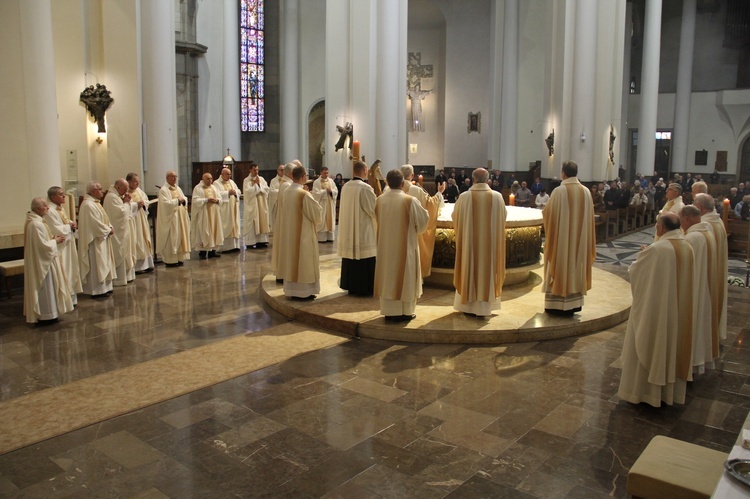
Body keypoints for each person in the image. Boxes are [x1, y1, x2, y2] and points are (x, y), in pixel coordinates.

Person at [618, 212, 695, 407]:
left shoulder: (658, 249)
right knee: (671, 345)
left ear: (661, 228)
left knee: (653, 341)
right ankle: (667, 393)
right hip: (677, 311)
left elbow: (635, 272)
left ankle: (644, 393)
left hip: (656, 310)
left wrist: (642, 255)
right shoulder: (687, 246)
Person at [374, 169, 429, 321]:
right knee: (406, 276)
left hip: (385, 248)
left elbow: (376, 223)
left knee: (388, 276)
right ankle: (405, 311)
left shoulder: (379, 200)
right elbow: (423, 223)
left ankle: (390, 311)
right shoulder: (409, 200)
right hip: (406, 248)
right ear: (403, 183)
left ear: (388, 182)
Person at [542, 160, 596, 315]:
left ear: (563, 173)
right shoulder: (586, 191)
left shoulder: (559, 191)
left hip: (562, 242)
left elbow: (549, 214)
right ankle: (574, 304)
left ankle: (557, 306)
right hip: (580, 242)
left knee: (560, 266)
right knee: (575, 268)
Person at [452, 168, 506, 317]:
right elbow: (503, 218)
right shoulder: (497, 197)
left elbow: (455, 217)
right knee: (488, 270)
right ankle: (485, 306)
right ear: (488, 180)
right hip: (490, 248)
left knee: (468, 267)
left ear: (473, 179)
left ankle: (468, 306)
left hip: (469, 246)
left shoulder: (464, 197)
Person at [23, 198, 74, 324]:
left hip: (45, 259)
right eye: (45, 206)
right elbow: (42, 246)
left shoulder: (38, 221)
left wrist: (52, 238)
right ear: (38, 208)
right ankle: (46, 315)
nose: (47, 208)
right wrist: (55, 241)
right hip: (42, 263)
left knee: (50, 287)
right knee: (46, 288)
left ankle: (51, 314)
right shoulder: (36, 224)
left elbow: (42, 241)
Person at [680, 205, 717, 373]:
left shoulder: (692, 238)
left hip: (692, 289)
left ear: (687, 219)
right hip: (702, 286)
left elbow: (679, 265)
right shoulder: (705, 231)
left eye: (681, 219)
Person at [276, 165, 322, 299]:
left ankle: (292, 291)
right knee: (304, 262)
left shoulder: (286, 191)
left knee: (292, 261)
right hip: (303, 235)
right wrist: (311, 195)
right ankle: (304, 292)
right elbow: (316, 214)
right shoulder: (303, 194)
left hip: (289, 234)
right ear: (303, 177)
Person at [337, 160, 377, 296]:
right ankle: (364, 288)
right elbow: (373, 209)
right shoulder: (365, 188)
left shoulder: (346, 186)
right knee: (364, 256)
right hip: (362, 229)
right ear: (365, 171)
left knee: (351, 257)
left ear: (354, 171)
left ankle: (351, 285)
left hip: (348, 229)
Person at [400, 164, 445, 278]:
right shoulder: (416, 190)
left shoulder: (389, 189)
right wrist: (439, 193)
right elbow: (431, 205)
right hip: (413, 230)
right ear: (412, 175)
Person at [694, 193, 728, 345]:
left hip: (704, 274)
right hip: (715, 271)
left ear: (700, 208)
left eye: (694, 204)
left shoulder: (704, 225)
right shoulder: (717, 221)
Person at [78, 181, 116, 297]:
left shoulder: (96, 203)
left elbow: (104, 218)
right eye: (100, 189)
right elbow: (95, 224)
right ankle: (96, 290)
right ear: (93, 191)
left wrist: (109, 226)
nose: (102, 191)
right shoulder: (88, 205)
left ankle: (105, 287)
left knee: (104, 262)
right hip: (95, 240)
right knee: (97, 263)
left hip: (102, 237)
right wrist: (108, 230)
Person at [45, 186, 82, 305]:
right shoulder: (50, 211)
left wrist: (71, 224)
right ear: (53, 197)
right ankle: (65, 299)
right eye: (61, 194)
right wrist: (69, 226)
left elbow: (65, 222)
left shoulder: (60, 208)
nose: (64, 196)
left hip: (68, 244)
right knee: (65, 271)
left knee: (71, 270)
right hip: (61, 247)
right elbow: (55, 228)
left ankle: (71, 297)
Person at [103, 178, 136, 286]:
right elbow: (120, 213)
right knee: (119, 251)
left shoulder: (116, 196)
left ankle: (125, 277)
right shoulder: (111, 197)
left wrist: (125, 202)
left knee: (124, 251)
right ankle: (119, 279)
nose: (126, 192)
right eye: (125, 189)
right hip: (116, 232)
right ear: (118, 187)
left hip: (121, 230)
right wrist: (126, 203)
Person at [156, 171, 191, 268]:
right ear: (167, 178)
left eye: (175, 176)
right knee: (172, 236)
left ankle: (179, 258)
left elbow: (184, 198)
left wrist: (183, 200)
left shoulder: (178, 188)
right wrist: (177, 200)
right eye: (172, 177)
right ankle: (170, 260)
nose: (174, 178)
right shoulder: (164, 190)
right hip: (171, 218)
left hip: (180, 217)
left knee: (180, 236)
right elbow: (165, 204)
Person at [271, 162, 296, 281]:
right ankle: (284, 273)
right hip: (287, 222)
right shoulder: (287, 185)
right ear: (291, 173)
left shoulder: (284, 183)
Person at [126, 173, 154, 273]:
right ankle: (137, 267)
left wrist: (143, 203)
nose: (137, 183)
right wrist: (135, 205)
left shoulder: (139, 191)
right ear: (129, 182)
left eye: (138, 181)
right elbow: (125, 206)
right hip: (134, 220)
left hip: (142, 218)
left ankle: (146, 264)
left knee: (144, 239)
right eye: (135, 181)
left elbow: (146, 200)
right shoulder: (126, 192)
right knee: (137, 240)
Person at [191, 172, 223, 259]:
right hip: (204, 214)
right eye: (208, 179)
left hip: (214, 213)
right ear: (203, 179)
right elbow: (195, 201)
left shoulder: (214, 187)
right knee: (204, 231)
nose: (210, 180)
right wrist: (206, 200)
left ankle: (213, 251)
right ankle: (203, 252)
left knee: (214, 231)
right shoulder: (198, 188)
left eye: (211, 179)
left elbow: (220, 198)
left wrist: (217, 200)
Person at [214, 167, 243, 252]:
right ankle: (225, 247)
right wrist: (227, 193)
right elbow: (217, 194)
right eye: (227, 174)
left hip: (234, 207)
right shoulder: (216, 183)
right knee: (226, 225)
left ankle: (235, 246)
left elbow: (238, 191)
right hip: (225, 209)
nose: (229, 176)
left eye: (230, 174)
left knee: (235, 224)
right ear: (222, 174)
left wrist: (235, 192)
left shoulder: (232, 182)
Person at [242, 163, 270, 248]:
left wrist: (259, 185)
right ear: (250, 170)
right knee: (253, 222)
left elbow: (267, 189)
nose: (256, 172)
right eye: (254, 170)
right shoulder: (246, 180)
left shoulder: (261, 179)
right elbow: (247, 191)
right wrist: (256, 186)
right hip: (252, 206)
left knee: (262, 220)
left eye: (257, 170)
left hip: (261, 205)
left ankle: (261, 241)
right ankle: (251, 242)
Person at [312, 166, 338, 242]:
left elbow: (335, 191)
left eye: (327, 173)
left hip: (330, 203)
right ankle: (321, 238)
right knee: (322, 219)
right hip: (322, 204)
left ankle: (330, 237)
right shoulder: (316, 182)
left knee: (330, 219)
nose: (326, 174)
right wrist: (324, 192)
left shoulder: (331, 181)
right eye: (324, 173)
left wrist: (331, 191)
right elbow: (315, 193)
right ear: (320, 173)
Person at [268, 163, 286, 230]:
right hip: (276, 204)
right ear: (277, 171)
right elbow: (272, 192)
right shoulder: (273, 180)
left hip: (284, 203)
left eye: (284, 170)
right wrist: (281, 191)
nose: (283, 171)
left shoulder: (287, 180)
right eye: (281, 170)